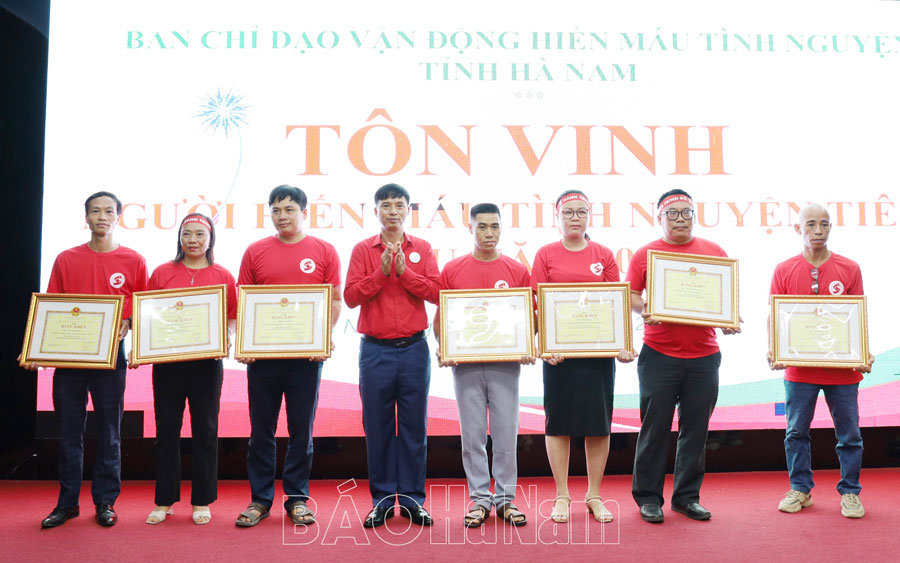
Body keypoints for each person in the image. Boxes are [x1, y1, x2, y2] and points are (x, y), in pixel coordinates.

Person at [32, 191, 149, 528]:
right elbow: (51, 308)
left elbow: (143, 306)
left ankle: (105, 502)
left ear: (118, 217)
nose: (102, 217)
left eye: (109, 211)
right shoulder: (66, 259)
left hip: (111, 357)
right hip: (70, 358)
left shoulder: (134, 260)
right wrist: (37, 349)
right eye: (95, 211)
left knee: (110, 431)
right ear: (86, 218)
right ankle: (67, 503)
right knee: (69, 433)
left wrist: (129, 320)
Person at [626, 188, 740, 524]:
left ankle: (687, 498)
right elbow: (631, 295)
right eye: (672, 214)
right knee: (655, 428)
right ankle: (648, 497)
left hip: (704, 355)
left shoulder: (714, 251)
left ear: (694, 216)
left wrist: (729, 319)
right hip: (659, 354)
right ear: (659, 218)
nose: (680, 220)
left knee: (696, 430)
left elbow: (724, 296)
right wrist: (646, 309)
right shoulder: (646, 253)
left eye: (686, 213)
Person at [234, 185, 342, 527]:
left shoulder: (324, 250)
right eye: (276, 210)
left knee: (301, 432)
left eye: (289, 209)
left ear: (303, 212)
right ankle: (260, 499)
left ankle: (297, 499)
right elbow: (244, 302)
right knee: (260, 431)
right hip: (263, 359)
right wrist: (245, 343)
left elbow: (335, 300)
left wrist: (322, 337)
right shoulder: (255, 251)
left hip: (306, 359)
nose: (282, 216)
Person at [531, 190, 634, 525]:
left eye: (581, 212)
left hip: (597, 354)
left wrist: (623, 343)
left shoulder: (603, 254)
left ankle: (594, 495)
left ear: (589, 216)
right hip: (559, 354)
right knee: (558, 424)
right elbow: (536, 303)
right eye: (568, 212)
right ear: (557, 217)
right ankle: (562, 495)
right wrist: (543, 345)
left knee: (598, 425)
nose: (574, 218)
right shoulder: (545, 254)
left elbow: (615, 303)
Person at [344, 183, 440, 528]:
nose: (393, 211)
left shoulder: (422, 248)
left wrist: (405, 273)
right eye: (386, 205)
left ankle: (413, 501)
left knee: (414, 428)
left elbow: (437, 292)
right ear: (376, 211)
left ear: (408, 210)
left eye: (399, 205)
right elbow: (351, 297)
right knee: (378, 428)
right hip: (376, 351)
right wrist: (381, 273)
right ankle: (382, 501)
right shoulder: (362, 249)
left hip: (414, 349)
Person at [768, 203, 872, 518]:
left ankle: (850, 492)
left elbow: (857, 316)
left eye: (824, 224)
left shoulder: (850, 268)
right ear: (798, 228)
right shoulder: (784, 269)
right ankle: (800, 489)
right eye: (811, 224)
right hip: (800, 371)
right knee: (795, 433)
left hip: (842, 372)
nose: (818, 230)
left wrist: (863, 351)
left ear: (830, 228)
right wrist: (773, 348)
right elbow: (775, 315)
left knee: (849, 435)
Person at [433, 203, 534, 528]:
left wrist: (527, 344)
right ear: (470, 228)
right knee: (472, 436)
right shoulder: (453, 269)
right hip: (466, 366)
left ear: (501, 228)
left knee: (505, 435)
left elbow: (528, 319)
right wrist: (444, 348)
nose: (489, 233)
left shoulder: (517, 271)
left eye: (495, 226)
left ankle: (505, 500)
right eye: (482, 227)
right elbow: (441, 320)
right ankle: (479, 500)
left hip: (505, 365)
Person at [141, 213, 237, 525]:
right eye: (186, 234)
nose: (192, 240)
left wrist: (227, 337)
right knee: (166, 431)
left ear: (210, 239)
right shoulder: (162, 272)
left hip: (207, 365)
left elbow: (232, 317)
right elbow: (148, 314)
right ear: (179, 238)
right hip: (167, 364)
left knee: (205, 432)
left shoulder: (223, 275)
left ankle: (202, 500)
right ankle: (164, 499)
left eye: (199, 234)